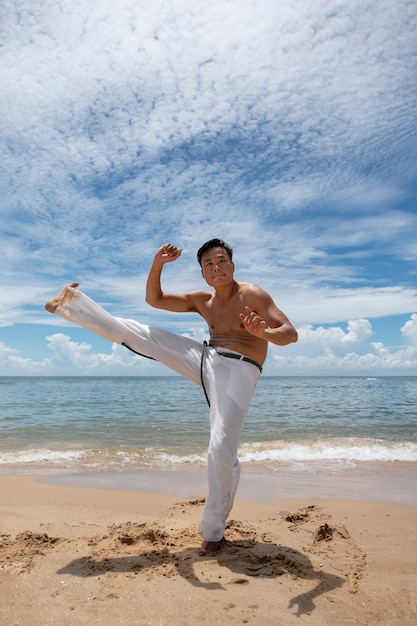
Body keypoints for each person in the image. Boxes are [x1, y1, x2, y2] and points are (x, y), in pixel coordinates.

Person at [45, 238, 298, 555]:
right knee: (143, 334)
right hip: (207, 359)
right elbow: (155, 299)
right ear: (203, 273)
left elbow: (290, 333)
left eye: (221, 261)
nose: (216, 267)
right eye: (208, 264)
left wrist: (264, 334)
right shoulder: (202, 299)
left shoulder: (253, 294)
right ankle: (70, 304)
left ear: (232, 266)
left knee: (221, 447)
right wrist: (157, 264)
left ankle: (213, 532)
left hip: (240, 371)